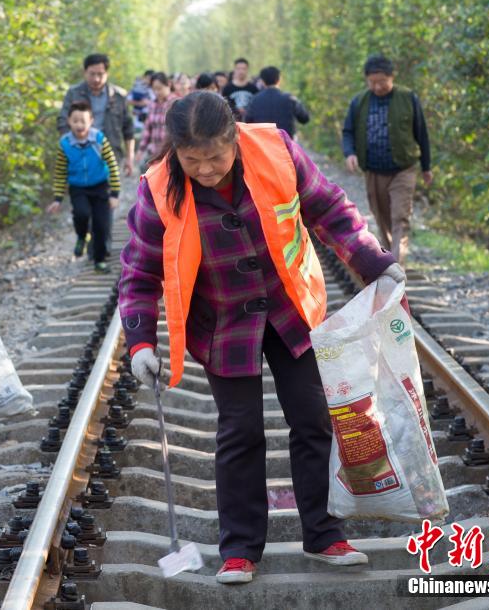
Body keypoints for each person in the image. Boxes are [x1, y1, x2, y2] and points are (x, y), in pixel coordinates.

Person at [119, 92, 405, 584]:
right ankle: (241, 548)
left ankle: (323, 533)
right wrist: (141, 342)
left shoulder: (275, 149)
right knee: (240, 431)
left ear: (235, 137)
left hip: (289, 306)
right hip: (222, 322)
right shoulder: (158, 187)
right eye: (193, 160)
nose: (206, 170)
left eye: (215, 157)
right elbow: (139, 273)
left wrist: (374, 263)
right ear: (175, 152)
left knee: (313, 418)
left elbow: (329, 209)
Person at [342, 54, 432, 264]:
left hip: (403, 169)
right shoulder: (359, 102)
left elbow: (422, 133)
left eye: (382, 82)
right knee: (382, 220)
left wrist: (426, 167)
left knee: (400, 217)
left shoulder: (408, 98)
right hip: (373, 170)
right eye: (372, 82)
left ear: (392, 77)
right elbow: (348, 131)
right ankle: (390, 259)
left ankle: (396, 268)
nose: (377, 86)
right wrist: (350, 153)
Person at [47, 101, 121, 274]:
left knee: (101, 225)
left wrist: (115, 193)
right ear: (69, 121)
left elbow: (112, 165)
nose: (79, 125)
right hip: (78, 188)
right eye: (75, 121)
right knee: (81, 214)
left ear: (91, 121)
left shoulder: (99, 139)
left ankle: (99, 260)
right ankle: (81, 235)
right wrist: (57, 199)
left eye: (83, 121)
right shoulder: (65, 144)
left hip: (100, 187)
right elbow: (60, 173)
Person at [58, 53, 135, 177]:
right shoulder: (74, 93)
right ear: (85, 72)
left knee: (109, 193)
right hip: (80, 156)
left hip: (110, 155)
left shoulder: (118, 96)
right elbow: (63, 121)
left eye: (100, 74)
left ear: (107, 73)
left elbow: (128, 130)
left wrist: (129, 158)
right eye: (92, 74)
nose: (96, 79)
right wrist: (69, 148)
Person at [245, 66, 311, 138]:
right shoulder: (290, 99)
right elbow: (305, 119)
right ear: (279, 79)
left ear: (263, 81)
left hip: (262, 145)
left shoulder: (254, 100)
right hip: (285, 145)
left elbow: (247, 121)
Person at [136, 72, 178, 170]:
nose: (157, 92)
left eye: (159, 88)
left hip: (171, 153)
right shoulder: (152, 104)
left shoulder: (176, 103)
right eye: (154, 89)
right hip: (154, 152)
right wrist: (141, 150)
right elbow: (148, 129)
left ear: (168, 84)